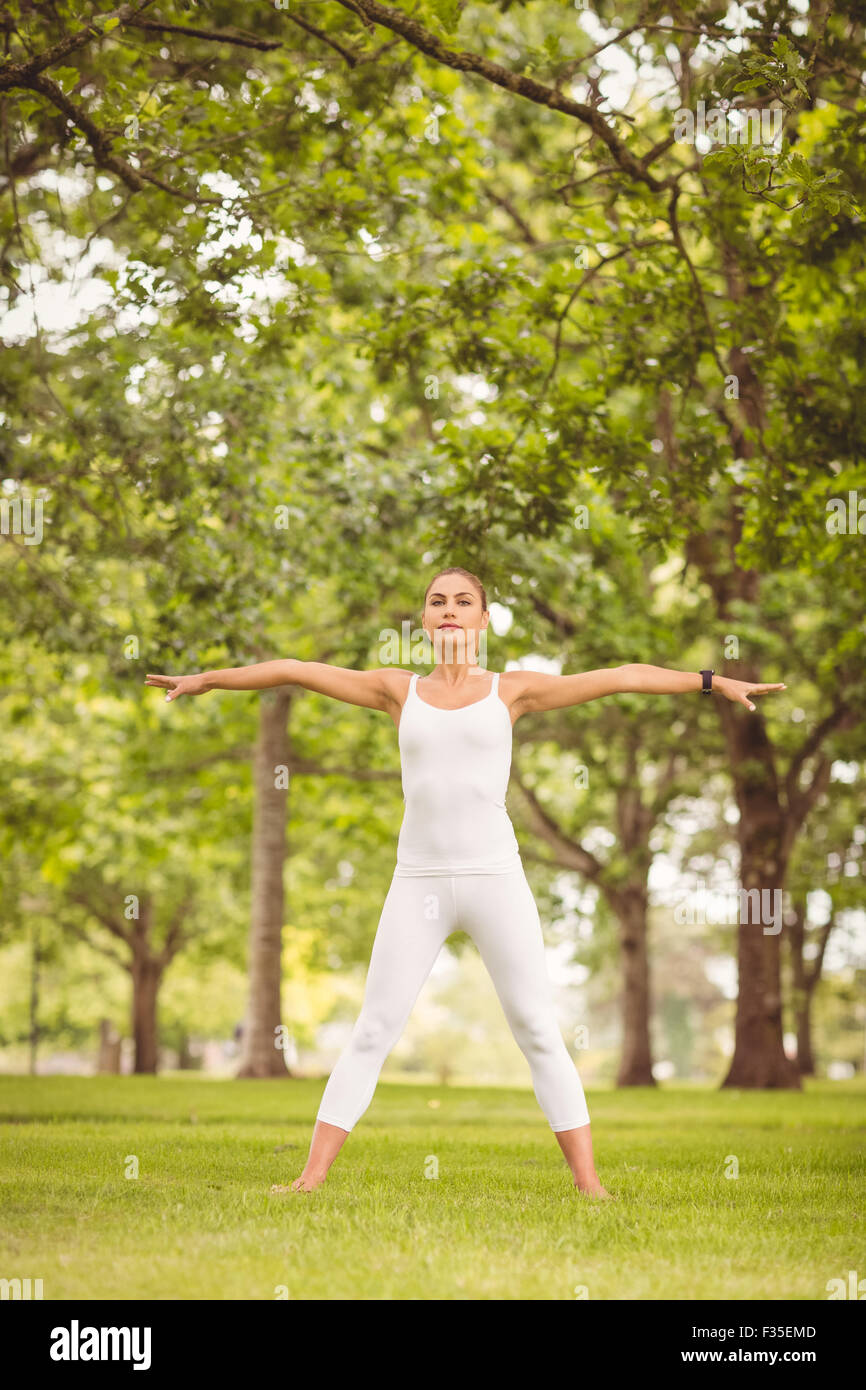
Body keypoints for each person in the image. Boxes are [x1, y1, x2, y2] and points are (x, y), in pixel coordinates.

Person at [145, 566, 785, 1199]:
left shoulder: (513, 691)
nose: (449, 610)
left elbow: (621, 677)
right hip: (416, 882)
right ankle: (308, 1181)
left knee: (536, 1028)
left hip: (494, 879)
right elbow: (292, 668)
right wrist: (205, 679)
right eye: (436, 601)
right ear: (423, 621)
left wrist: (711, 681)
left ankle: (591, 1187)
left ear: (483, 619)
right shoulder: (397, 690)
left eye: (463, 601)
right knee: (372, 1029)